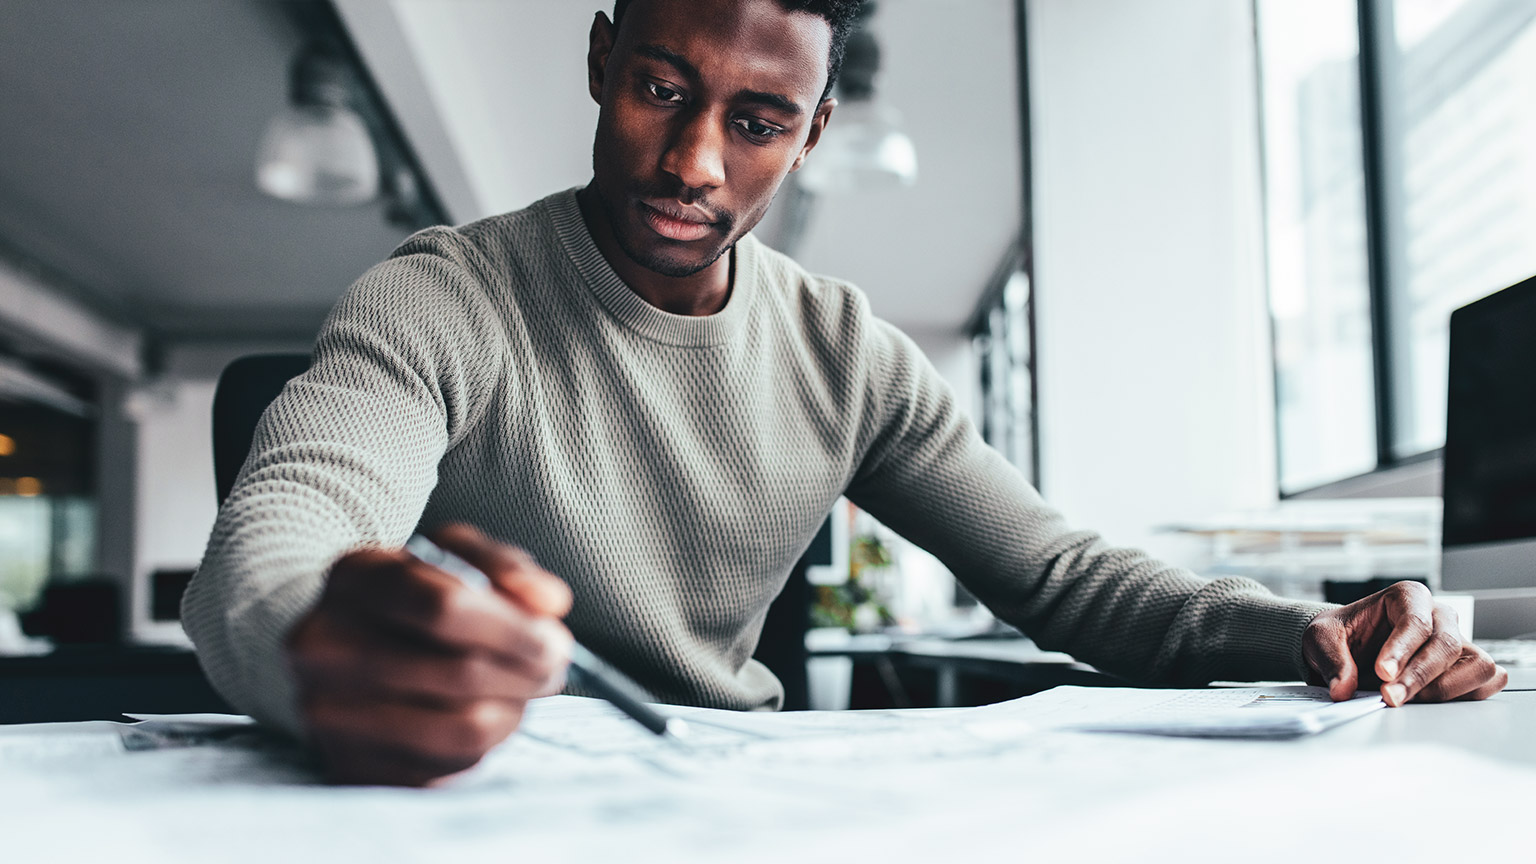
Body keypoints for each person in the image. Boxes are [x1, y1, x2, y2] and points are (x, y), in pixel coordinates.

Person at [184, 0, 1507, 787]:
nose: (694, 160)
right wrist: (318, 646)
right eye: (660, 88)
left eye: (757, 122)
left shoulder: (847, 354)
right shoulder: (442, 298)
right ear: (600, 61)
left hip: (729, 805)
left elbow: (1069, 582)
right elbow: (281, 534)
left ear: (812, 135)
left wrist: (1306, 632)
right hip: (480, 797)